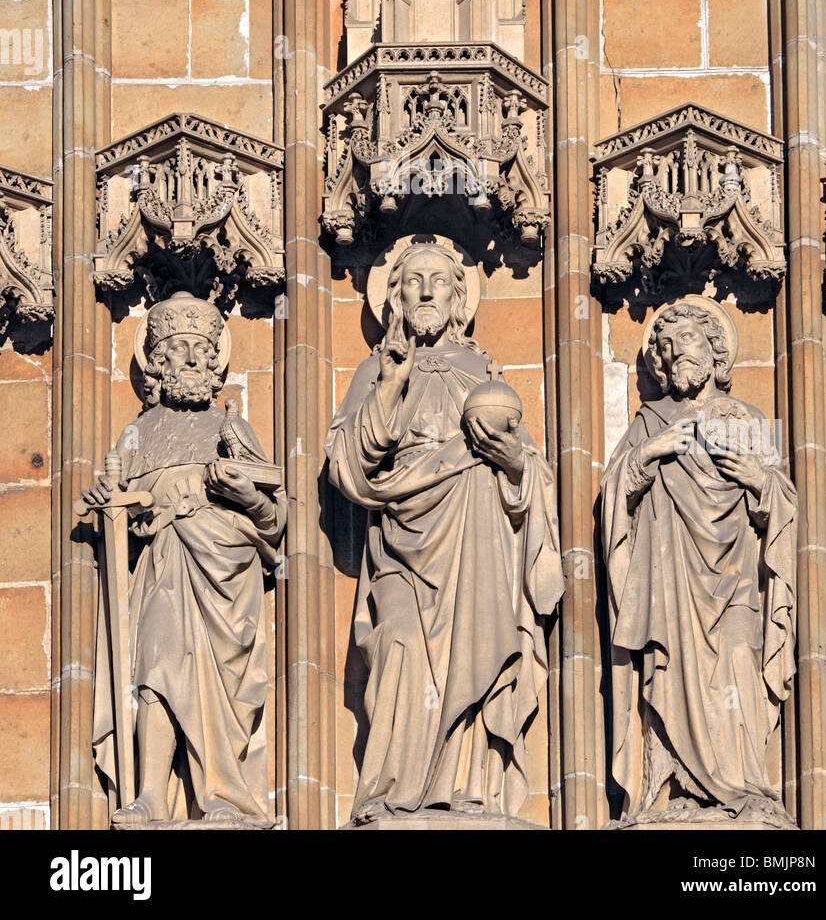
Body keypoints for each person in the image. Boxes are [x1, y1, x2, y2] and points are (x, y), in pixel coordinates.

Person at [327, 239, 564, 823]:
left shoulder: (483, 372)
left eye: (440, 280)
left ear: (460, 298)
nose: (427, 290)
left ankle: (468, 792)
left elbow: (532, 471)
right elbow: (344, 462)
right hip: (402, 546)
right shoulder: (376, 369)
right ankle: (393, 792)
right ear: (395, 296)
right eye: (413, 279)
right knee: (400, 645)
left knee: (478, 650)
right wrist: (387, 385)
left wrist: (512, 462)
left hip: (478, 545)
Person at [83, 291, 286, 826]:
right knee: (155, 667)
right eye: (178, 347)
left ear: (215, 361)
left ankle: (221, 793)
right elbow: (120, 516)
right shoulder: (137, 435)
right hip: (163, 566)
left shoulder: (229, 427)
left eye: (201, 347)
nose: (193, 358)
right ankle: (150, 793)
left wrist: (243, 494)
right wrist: (113, 511)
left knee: (213, 680)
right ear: (157, 361)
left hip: (224, 573)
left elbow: (274, 517)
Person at [601, 298, 797, 824]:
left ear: (715, 353)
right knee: (665, 669)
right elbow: (614, 497)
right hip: (669, 580)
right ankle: (666, 789)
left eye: (686, 340)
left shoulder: (747, 419)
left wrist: (759, 482)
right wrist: (649, 452)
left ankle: (742, 785)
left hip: (734, 581)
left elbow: (783, 504)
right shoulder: (650, 423)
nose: (674, 353)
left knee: (736, 660)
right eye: (664, 347)